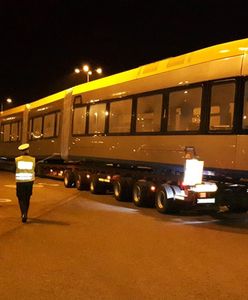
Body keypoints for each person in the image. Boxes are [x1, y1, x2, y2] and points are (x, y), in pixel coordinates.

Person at [15, 143, 36, 223]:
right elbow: (34, 170)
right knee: (27, 198)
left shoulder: (17, 159)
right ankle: (26, 213)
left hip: (20, 182)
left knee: (20, 198)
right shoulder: (33, 159)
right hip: (29, 182)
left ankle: (23, 213)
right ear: (28, 150)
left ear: (21, 152)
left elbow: (15, 169)